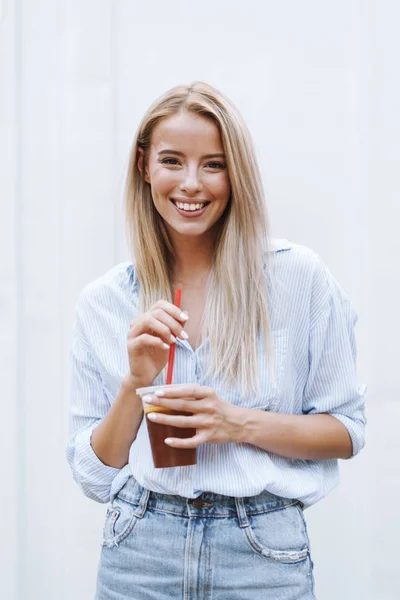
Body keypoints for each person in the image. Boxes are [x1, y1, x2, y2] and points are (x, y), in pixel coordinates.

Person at [66, 81, 366, 600]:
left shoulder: (298, 277)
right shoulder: (104, 300)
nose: (191, 184)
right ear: (144, 167)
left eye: (213, 164)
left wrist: (235, 423)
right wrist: (135, 382)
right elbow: (95, 474)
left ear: (236, 173)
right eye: (171, 161)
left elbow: (346, 431)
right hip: (139, 547)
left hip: (262, 551)